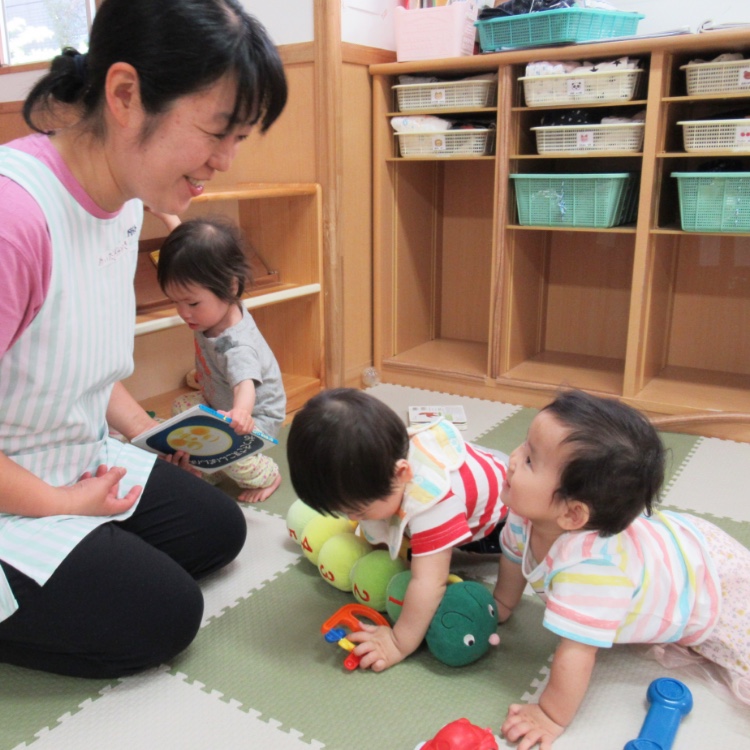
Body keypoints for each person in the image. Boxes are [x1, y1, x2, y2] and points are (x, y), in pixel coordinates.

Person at [0, 0, 287, 678]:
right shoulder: (16, 217)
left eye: (240, 137)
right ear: (125, 94)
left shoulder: (128, 201)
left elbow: (72, 365)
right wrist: (68, 506)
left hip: (70, 456)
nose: (225, 160)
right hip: (17, 484)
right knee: (164, 614)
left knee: (219, 531)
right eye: (219, 130)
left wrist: (155, 435)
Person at [494, 389, 750, 750]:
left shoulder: (592, 569)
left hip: (714, 587)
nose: (513, 460)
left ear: (572, 514)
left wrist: (550, 715)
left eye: (531, 461)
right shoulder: (526, 512)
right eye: (524, 446)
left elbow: (577, 652)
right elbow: (512, 558)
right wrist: (501, 606)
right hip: (677, 544)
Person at [286, 387, 508, 671]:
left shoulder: (432, 503)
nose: (352, 517)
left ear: (401, 473)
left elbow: (430, 583)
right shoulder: (383, 452)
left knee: (428, 566)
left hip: (500, 519)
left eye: (359, 511)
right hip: (486, 466)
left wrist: (398, 641)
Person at [154, 215, 285, 503]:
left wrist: (241, 413)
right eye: (175, 301)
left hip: (254, 418)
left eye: (192, 303)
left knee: (233, 454)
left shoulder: (235, 344)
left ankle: (268, 474)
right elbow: (191, 256)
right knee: (181, 407)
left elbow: (244, 384)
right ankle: (210, 464)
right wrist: (170, 219)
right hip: (220, 401)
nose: (183, 312)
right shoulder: (214, 301)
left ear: (230, 287)